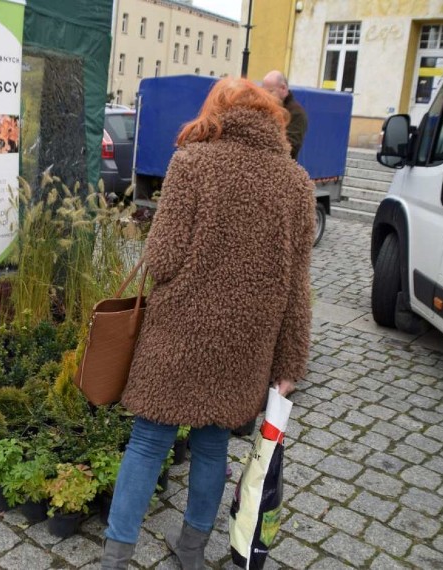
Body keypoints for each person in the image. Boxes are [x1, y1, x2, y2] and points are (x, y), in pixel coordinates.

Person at [101, 78, 315, 569]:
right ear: (271, 119)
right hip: (246, 343)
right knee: (213, 443)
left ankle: (115, 558)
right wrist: (290, 362)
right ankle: (192, 552)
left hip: (179, 332)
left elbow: (162, 260)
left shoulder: (192, 163)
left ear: (216, 112)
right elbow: (297, 286)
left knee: (149, 440)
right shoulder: (296, 183)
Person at [262, 70, 308, 159]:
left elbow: (291, 148)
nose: (266, 96)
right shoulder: (265, 109)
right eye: (264, 92)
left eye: (270, 92)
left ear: (283, 88)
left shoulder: (297, 114)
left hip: (282, 168)